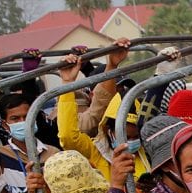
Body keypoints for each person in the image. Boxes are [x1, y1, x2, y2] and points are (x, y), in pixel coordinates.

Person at [56, 40, 150, 182]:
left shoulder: (147, 150)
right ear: (108, 131)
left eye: (135, 137)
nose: (130, 143)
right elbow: (68, 136)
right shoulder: (96, 152)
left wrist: (112, 65)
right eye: (124, 137)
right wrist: (68, 84)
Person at [0, 93, 59, 169]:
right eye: (15, 118)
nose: (23, 122)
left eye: (27, 117)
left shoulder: (53, 153)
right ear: (5, 125)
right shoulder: (1, 156)